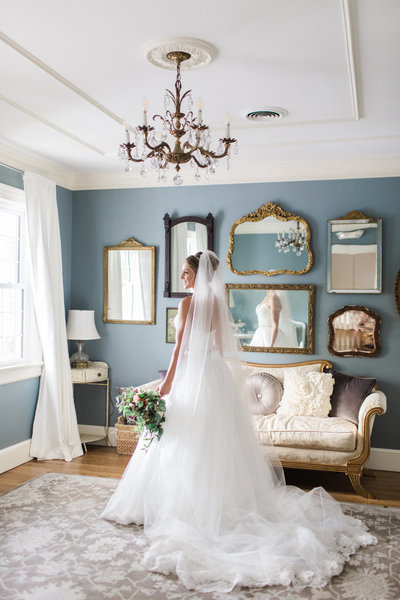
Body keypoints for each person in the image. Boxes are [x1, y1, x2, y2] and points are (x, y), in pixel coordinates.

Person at [103, 250, 375, 593]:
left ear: (197, 274)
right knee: (211, 442)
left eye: (186, 272)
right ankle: (222, 503)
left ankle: (181, 509)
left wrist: (166, 384)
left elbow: (180, 350)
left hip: (193, 375)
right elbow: (218, 347)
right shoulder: (218, 304)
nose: (183, 278)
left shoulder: (188, 305)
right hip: (214, 375)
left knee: (184, 440)